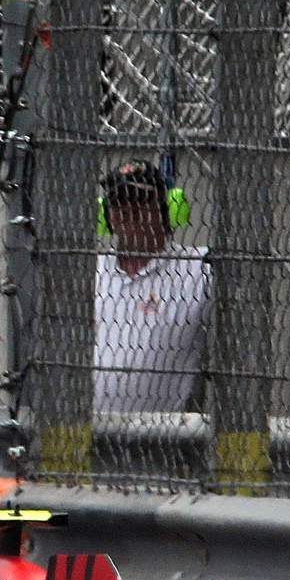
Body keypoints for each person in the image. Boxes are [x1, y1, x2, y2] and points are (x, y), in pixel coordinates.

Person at [93, 161, 215, 416]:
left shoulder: (196, 269)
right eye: (119, 202)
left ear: (164, 208)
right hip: (84, 430)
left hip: (157, 442)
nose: (128, 209)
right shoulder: (93, 269)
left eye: (139, 200)